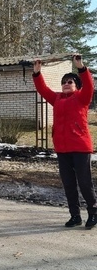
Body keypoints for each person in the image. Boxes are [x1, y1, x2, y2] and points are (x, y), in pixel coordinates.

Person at [32, 54, 97, 229]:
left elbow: (90, 85)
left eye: (70, 81)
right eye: (64, 82)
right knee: (68, 183)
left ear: (76, 85)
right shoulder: (57, 99)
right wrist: (37, 72)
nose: (66, 84)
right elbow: (43, 89)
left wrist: (81, 67)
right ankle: (75, 216)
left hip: (80, 147)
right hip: (62, 148)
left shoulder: (82, 98)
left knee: (84, 182)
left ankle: (93, 211)